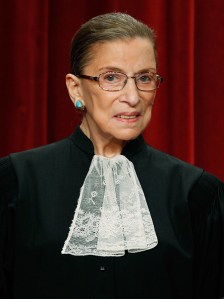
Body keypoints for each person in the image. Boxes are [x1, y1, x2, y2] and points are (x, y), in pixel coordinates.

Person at [0, 12, 223, 299]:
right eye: (112, 77)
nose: (132, 97)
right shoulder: (14, 184)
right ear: (75, 88)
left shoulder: (198, 194)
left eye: (144, 78)